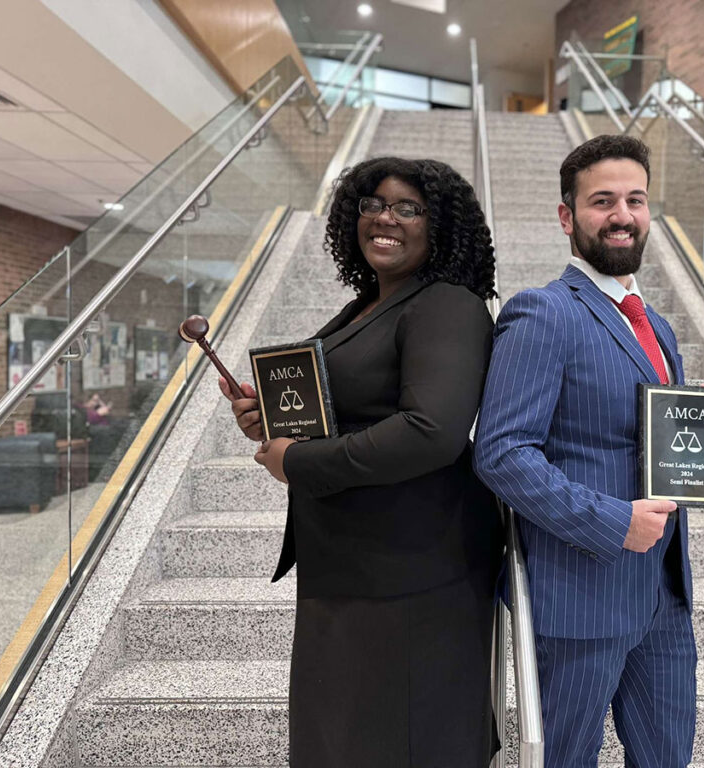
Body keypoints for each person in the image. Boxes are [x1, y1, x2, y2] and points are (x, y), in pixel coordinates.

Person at [473, 135, 704, 768]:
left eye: (636, 199)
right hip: (579, 593)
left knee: (666, 757)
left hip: (662, 596)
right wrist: (612, 520)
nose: (622, 214)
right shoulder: (542, 314)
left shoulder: (656, 326)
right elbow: (501, 453)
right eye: (602, 201)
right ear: (568, 216)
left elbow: (657, 439)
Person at [220, 156, 504, 767]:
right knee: (344, 739)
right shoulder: (366, 305)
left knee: (402, 741)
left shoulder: (447, 304)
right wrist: (270, 419)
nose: (384, 218)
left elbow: (432, 432)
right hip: (352, 565)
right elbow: (345, 409)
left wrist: (299, 461)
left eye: (408, 208)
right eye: (373, 204)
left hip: (412, 573)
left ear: (441, 226)